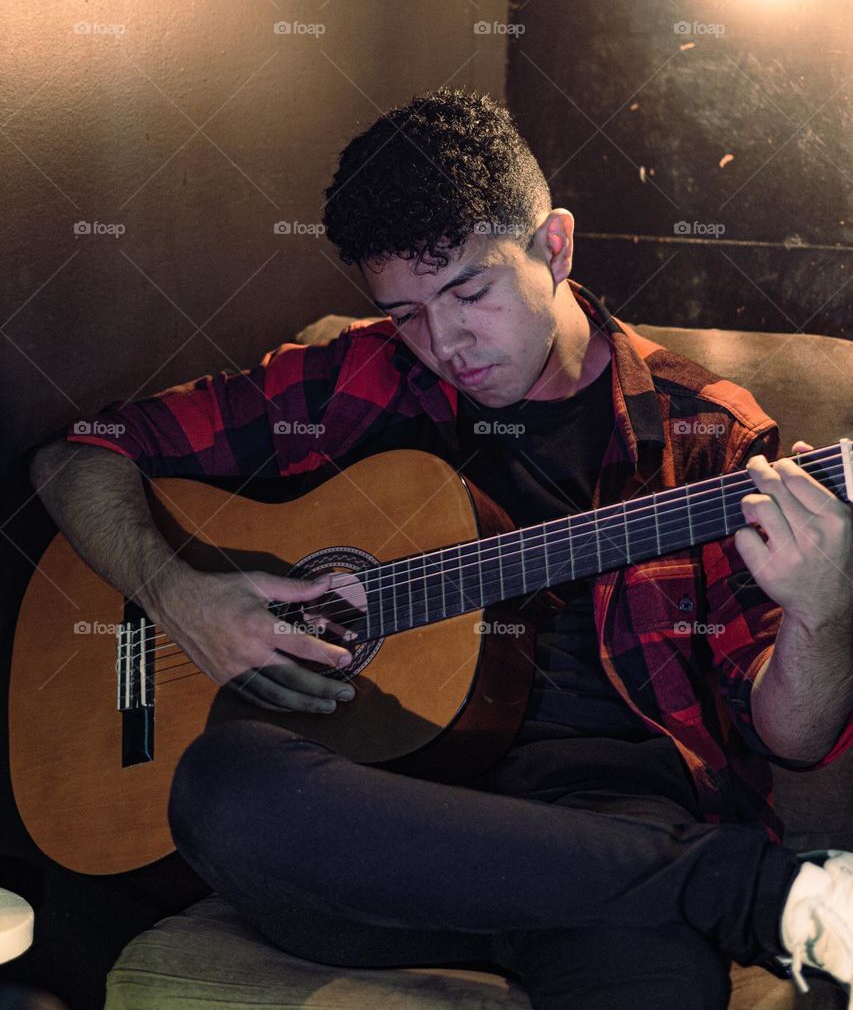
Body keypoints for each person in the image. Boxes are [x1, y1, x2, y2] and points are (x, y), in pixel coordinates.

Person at [30, 89, 853, 1010]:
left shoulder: (709, 436)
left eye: (469, 292)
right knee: (223, 787)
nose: (443, 342)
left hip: (607, 822)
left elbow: (793, 736)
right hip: (376, 830)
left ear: (554, 246)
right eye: (407, 311)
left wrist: (824, 607)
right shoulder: (358, 372)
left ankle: (661, 887)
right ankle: (747, 893)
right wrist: (178, 595)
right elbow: (80, 453)